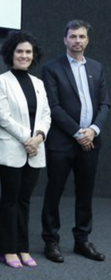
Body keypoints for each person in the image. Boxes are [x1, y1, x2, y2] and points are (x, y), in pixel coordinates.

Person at [40, 20, 109, 263]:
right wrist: (79, 134)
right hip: (63, 141)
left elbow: (104, 104)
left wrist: (93, 130)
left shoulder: (98, 68)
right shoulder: (51, 68)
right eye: (73, 36)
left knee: (85, 192)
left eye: (81, 36)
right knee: (54, 191)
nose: (77, 40)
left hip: (91, 141)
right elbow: (54, 106)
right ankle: (51, 240)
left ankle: (82, 240)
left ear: (87, 40)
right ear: (65, 40)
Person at [0, 31, 51, 268]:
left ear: (34, 56)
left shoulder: (39, 83)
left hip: (35, 148)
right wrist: (28, 139)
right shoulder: (1, 81)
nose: (24, 55)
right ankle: (7, 249)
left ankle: (22, 248)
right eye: (19, 51)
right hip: (12, 148)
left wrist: (39, 136)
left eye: (28, 52)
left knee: (25, 199)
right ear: (11, 54)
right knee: (10, 199)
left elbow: (46, 114)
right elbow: (2, 116)